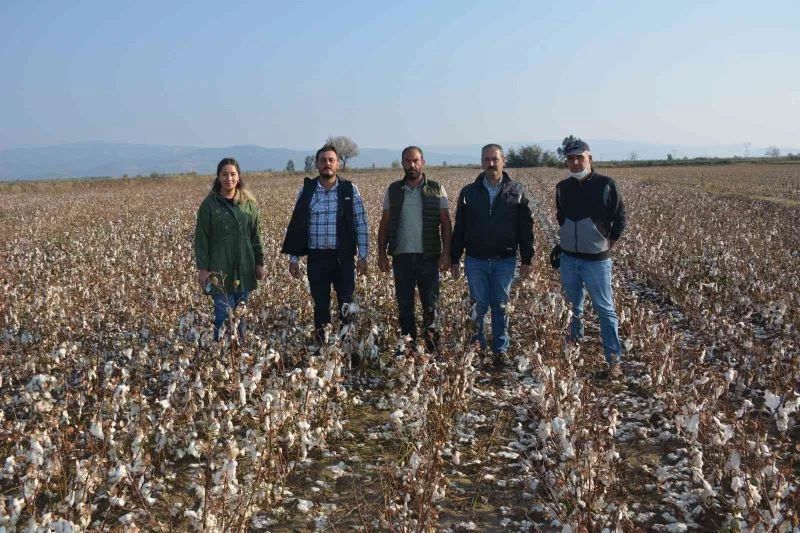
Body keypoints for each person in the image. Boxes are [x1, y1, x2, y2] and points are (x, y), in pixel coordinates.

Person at [451, 144, 534, 368]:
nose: (490, 164)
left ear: (503, 161)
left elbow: (526, 228)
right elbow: (460, 227)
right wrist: (454, 258)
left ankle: (500, 349)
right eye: (486, 159)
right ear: (481, 162)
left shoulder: (517, 191)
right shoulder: (469, 193)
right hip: (475, 259)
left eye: (494, 159)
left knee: (501, 304)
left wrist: (527, 259)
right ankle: (477, 348)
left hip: (505, 259)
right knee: (478, 305)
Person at [281, 144, 369, 349]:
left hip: (343, 257)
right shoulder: (307, 190)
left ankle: (347, 347)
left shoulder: (349, 190)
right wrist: (294, 258)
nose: (327, 164)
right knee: (320, 305)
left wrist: (363, 256)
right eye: (323, 160)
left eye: (331, 160)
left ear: (338, 164)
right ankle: (322, 346)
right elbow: (298, 225)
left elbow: (361, 224)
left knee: (346, 303)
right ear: (317, 164)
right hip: (317, 258)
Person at [556, 139, 626, 378]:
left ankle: (613, 360)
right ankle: (574, 348)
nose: (575, 162)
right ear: (566, 162)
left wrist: (607, 242)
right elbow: (561, 216)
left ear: (589, 159)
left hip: (597, 261)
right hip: (569, 259)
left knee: (605, 310)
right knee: (571, 307)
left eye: (580, 158)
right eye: (571, 158)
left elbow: (620, 217)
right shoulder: (562, 187)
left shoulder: (606, 185)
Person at [376, 146, 452, 354]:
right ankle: (408, 349)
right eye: (408, 161)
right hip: (401, 257)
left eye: (415, 161)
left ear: (422, 162)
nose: (412, 165)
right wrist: (381, 253)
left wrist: (446, 253)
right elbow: (385, 223)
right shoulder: (393, 190)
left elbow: (446, 223)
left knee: (431, 305)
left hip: (429, 257)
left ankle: (433, 349)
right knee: (405, 307)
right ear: (402, 163)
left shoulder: (436, 188)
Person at [194, 158, 265, 341]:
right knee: (223, 314)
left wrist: (259, 262)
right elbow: (201, 239)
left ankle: (239, 349)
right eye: (224, 174)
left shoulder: (248, 205)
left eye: (233, 174)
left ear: (238, 177)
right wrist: (203, 269)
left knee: (241, 313)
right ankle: (222, 350)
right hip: (219, 268)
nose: (229, 178)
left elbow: (256, 235)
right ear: (218, 177)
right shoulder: (209, 205)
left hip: (245, 267)